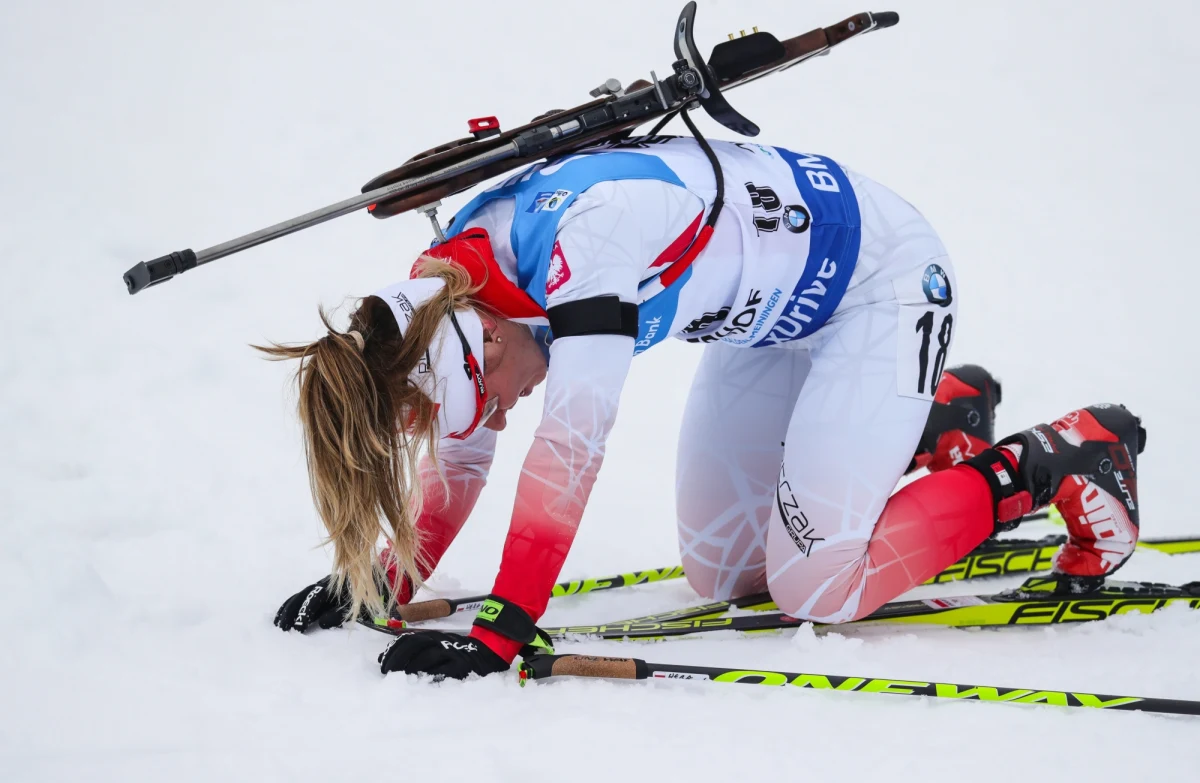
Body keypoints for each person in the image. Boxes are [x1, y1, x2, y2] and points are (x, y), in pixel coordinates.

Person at [268, 135, 1144, 680]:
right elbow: (461, 455)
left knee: (819, 586)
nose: (499, 419)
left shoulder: (585, 250)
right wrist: (380, 581)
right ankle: (933, 423)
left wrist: (504, 626)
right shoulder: (443, 297)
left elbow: (569, 445)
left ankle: (1058, 459)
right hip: (770, 321)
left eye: (488, 404)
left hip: (882, 286)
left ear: (489, 343)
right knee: (727, 569)